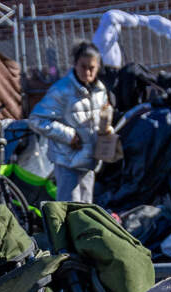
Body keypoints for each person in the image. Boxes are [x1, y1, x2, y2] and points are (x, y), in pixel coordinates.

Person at [29, 42, 111, 204]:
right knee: (69, 209)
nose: (87, 72)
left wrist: (106, 130)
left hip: (90, 160)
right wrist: (69, 135)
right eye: (83, 66)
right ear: (75, 64)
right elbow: (36, 120)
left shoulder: (99, 90)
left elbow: (100, 118)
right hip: (66, 160)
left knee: (87, 209)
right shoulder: (62, 90)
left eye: (92, 68)